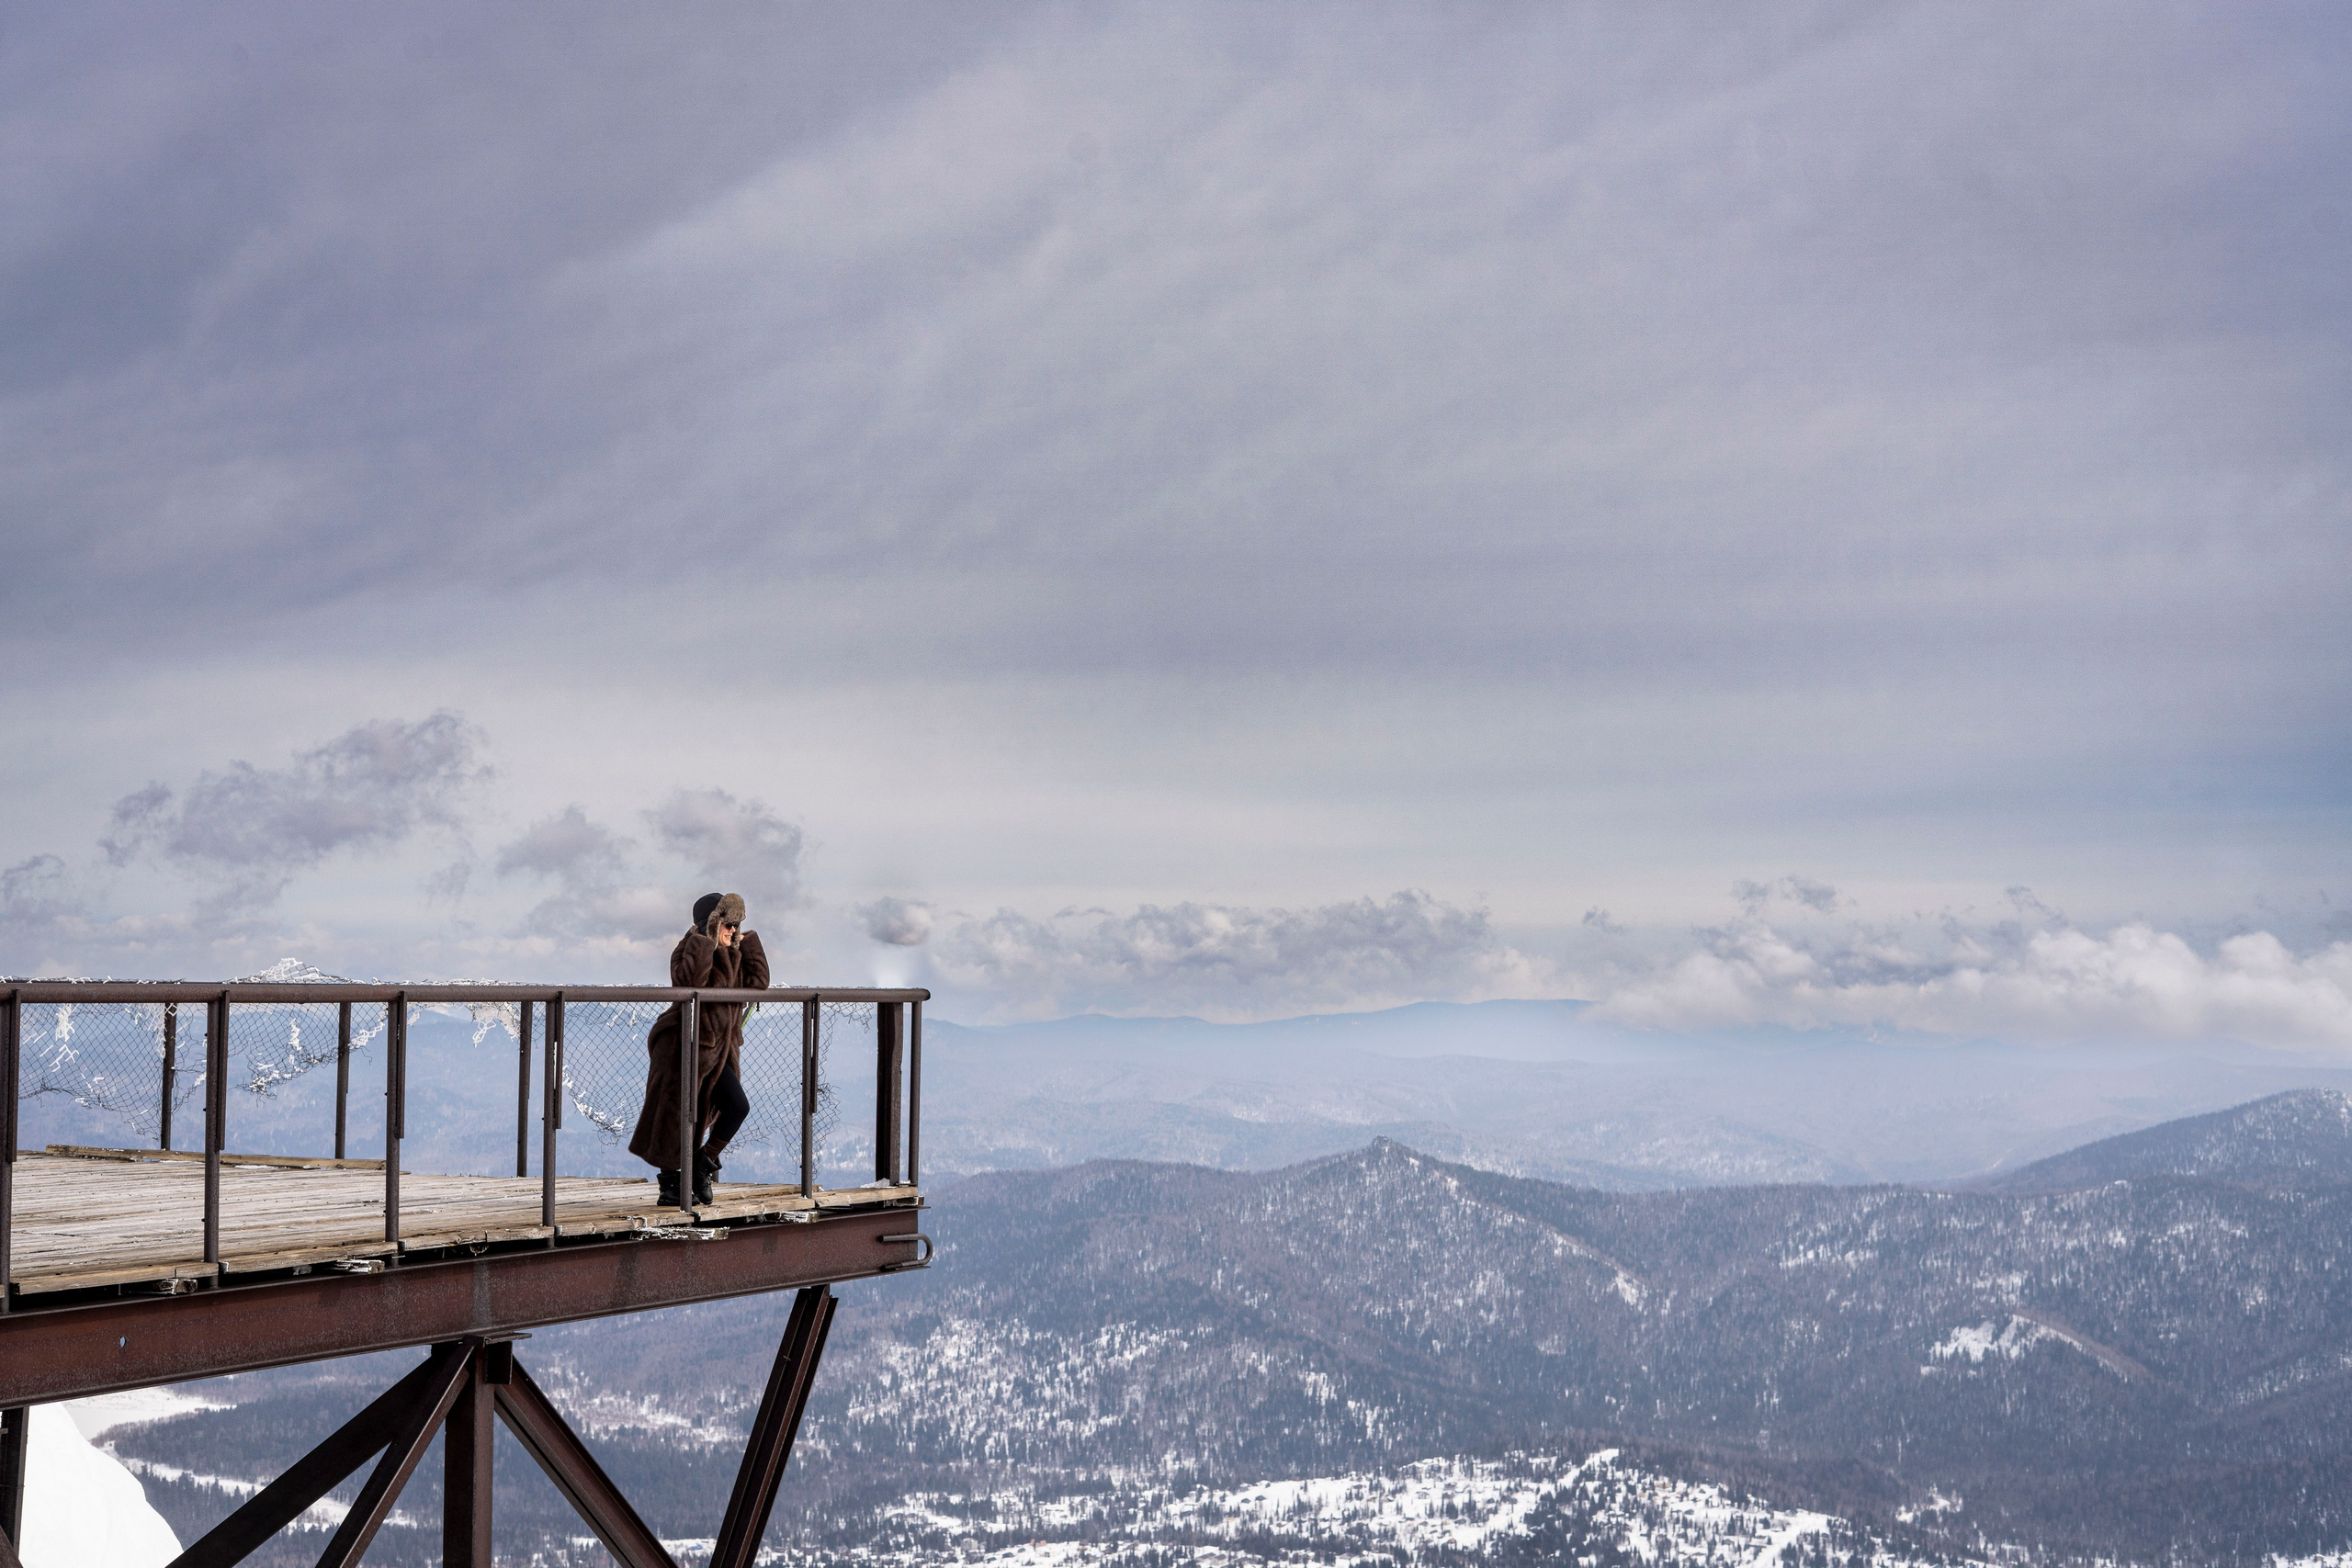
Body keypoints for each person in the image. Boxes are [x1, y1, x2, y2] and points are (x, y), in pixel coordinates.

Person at [628, 891, 768, 1206]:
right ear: (712, 923)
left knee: (735, 1107)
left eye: (736, 925)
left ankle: (700, 1167)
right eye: (727, 924)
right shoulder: (689, 948)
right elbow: (690, 979)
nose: (733, 930)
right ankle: (670, 1187)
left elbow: (759, 983)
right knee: (674, 1112)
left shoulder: (734, 954)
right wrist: (706, 939)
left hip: (718, 1052)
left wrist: (749, 943)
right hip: (681, 1045)